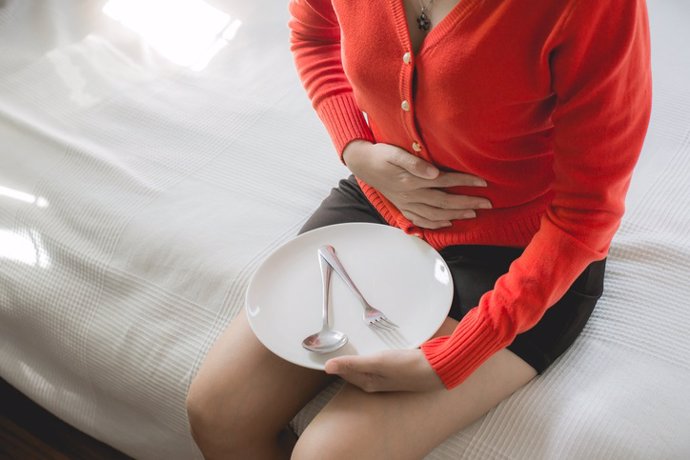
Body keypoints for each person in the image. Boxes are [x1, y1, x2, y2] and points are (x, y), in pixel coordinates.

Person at [186, 0, 652, 458]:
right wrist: (356, 150)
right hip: (379, 199)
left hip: (525, 253)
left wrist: (458, 355)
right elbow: (312, 34)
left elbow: (587, 213)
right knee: (217, 412)